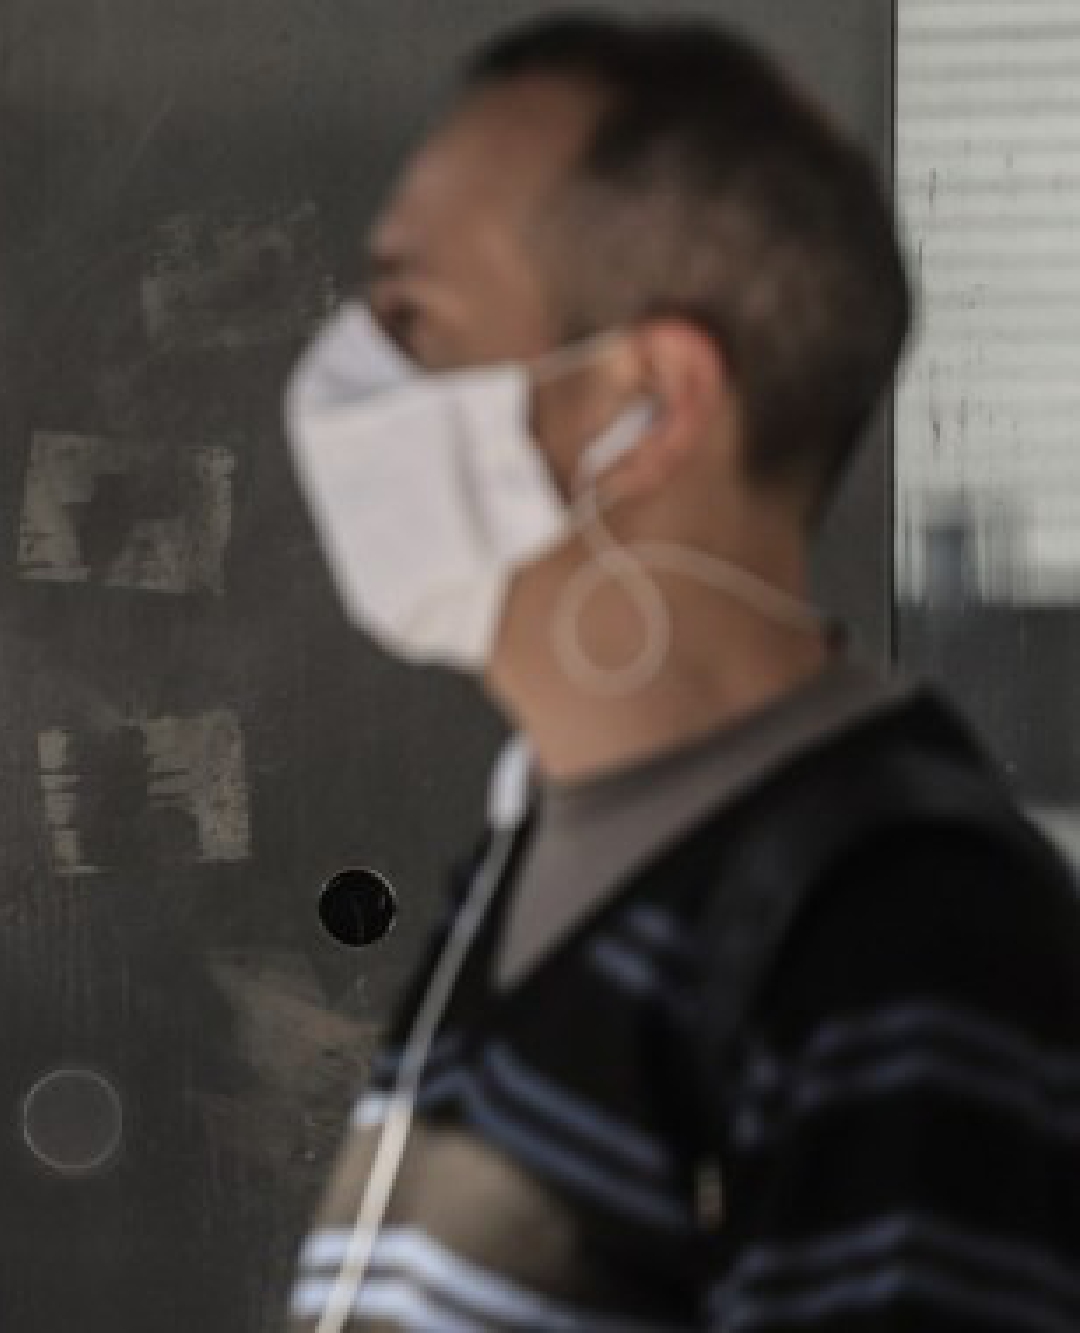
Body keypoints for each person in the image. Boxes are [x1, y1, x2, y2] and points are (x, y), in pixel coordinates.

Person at [282, 15, 1080, 1332]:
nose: (345, 377)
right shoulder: (539, 832)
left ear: (647, 402)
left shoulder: (897, 931)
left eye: (411, 313)